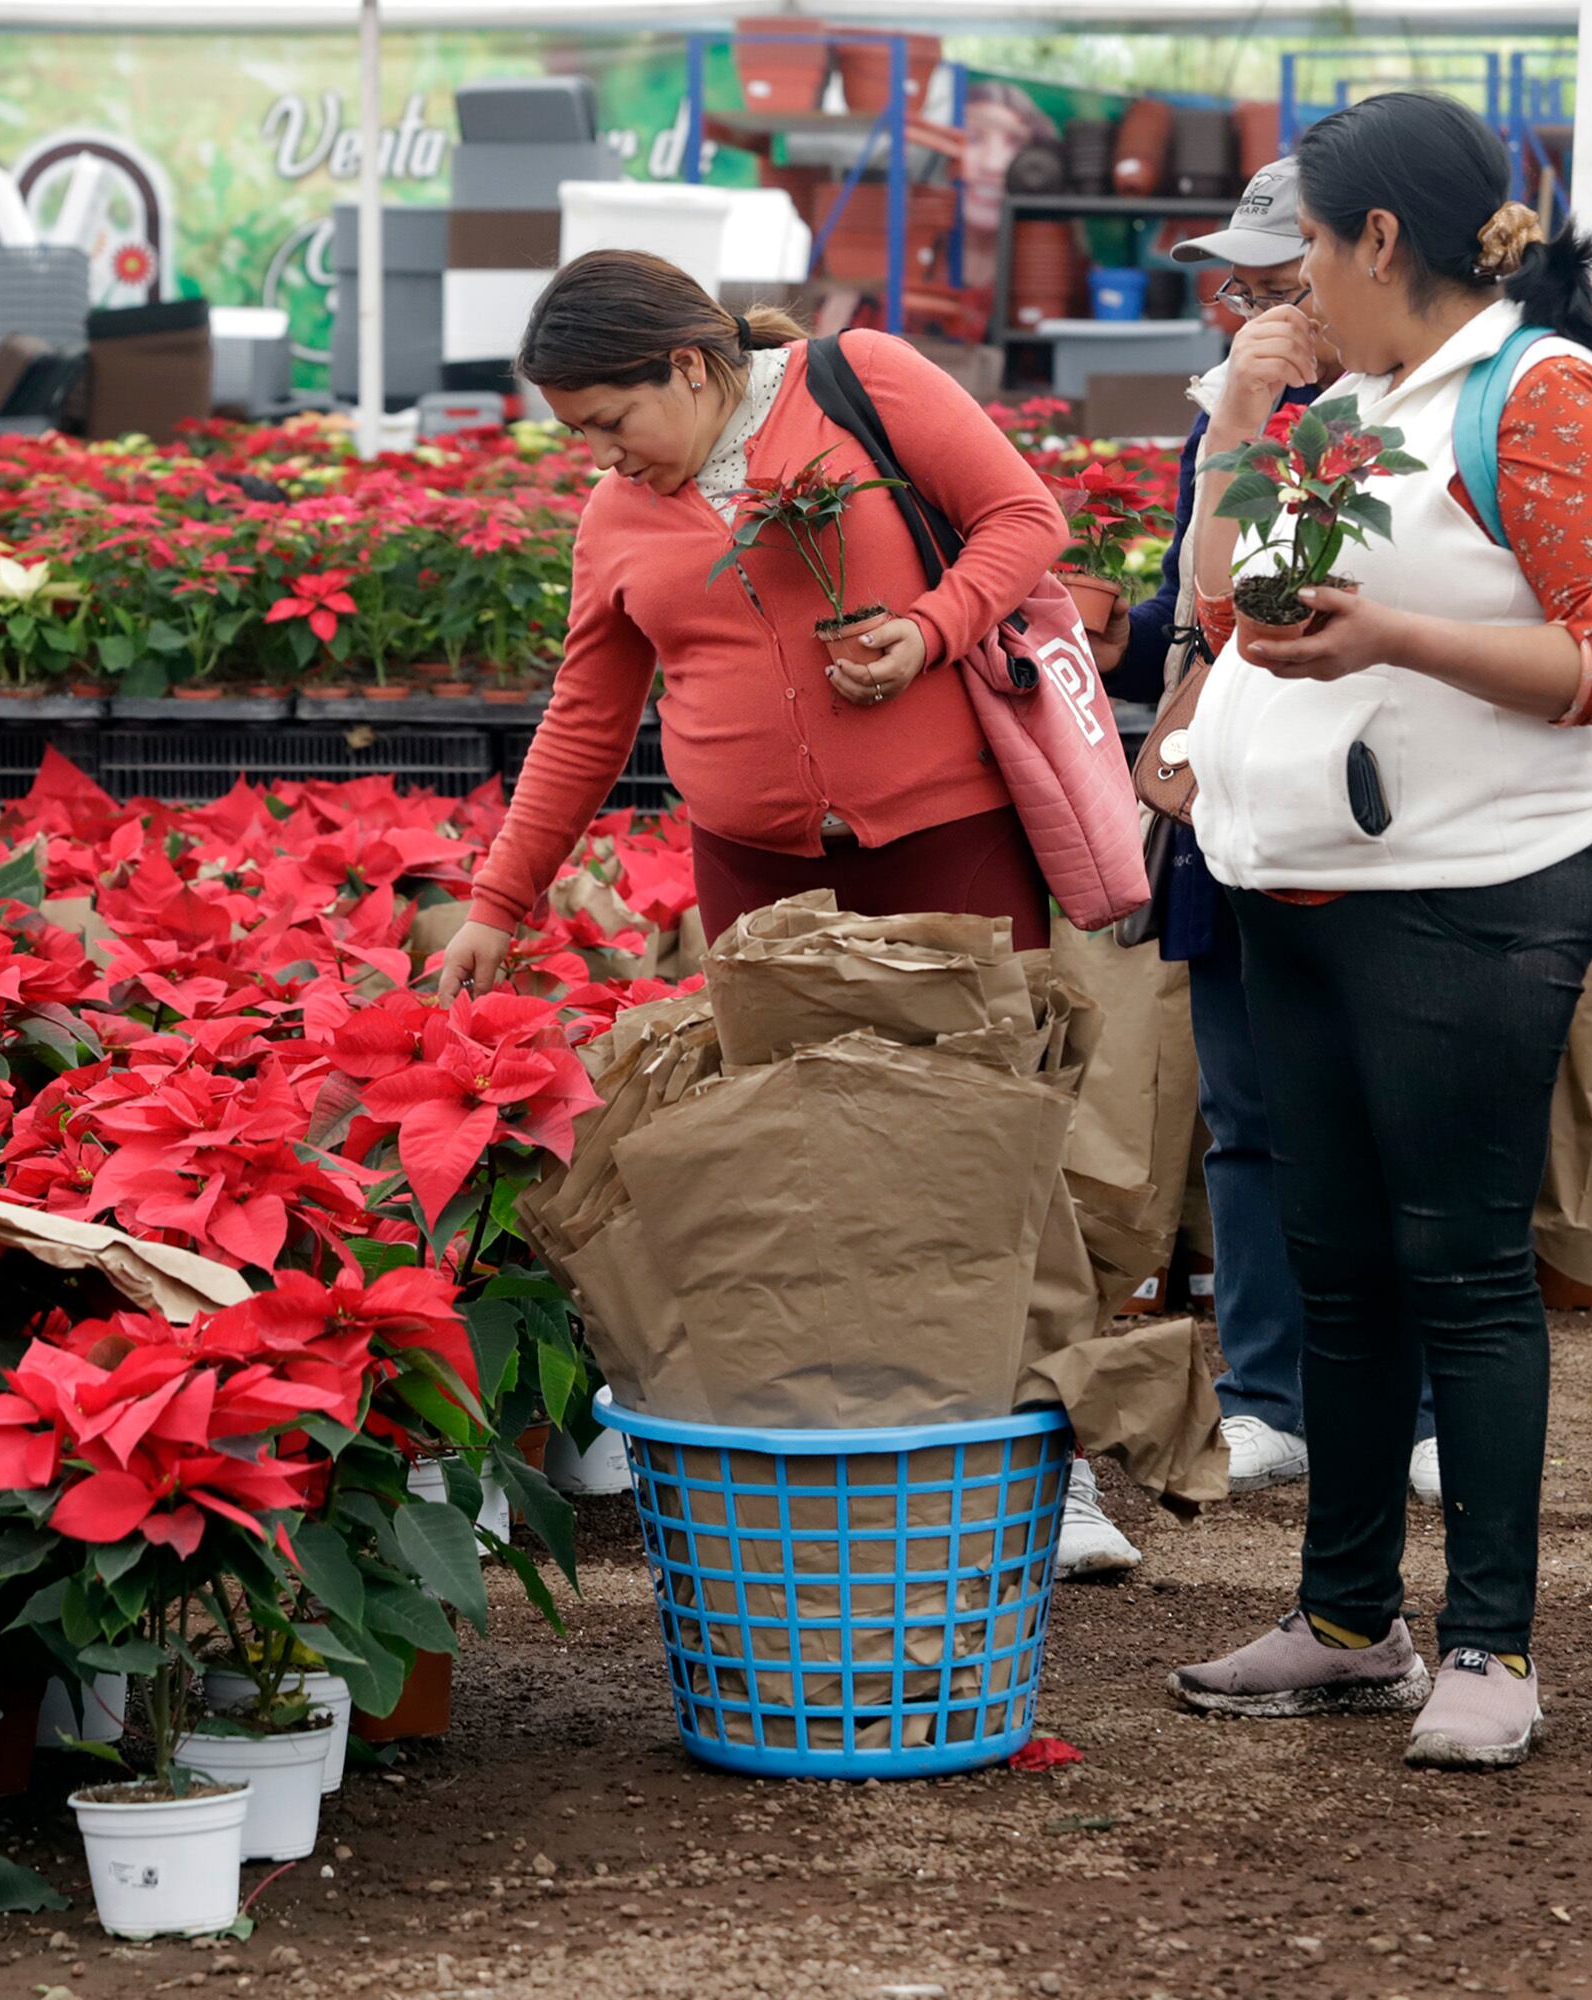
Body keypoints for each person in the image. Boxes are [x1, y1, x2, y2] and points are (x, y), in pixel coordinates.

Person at [428, 250, 1143, 1576]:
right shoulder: (615, 519)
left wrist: (932, 629)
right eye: (577, 434)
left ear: (691, 369)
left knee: (998, 1149)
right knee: (801, 1163)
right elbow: (586, 719)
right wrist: (499, 895)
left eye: (609, 421)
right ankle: (859, 1452)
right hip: (760, 878)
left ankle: (1055, 1465)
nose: (602, 454)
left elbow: (1022, 520)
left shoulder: (860, 381)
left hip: (950, 847)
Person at [1167, 91, 1592, 1770]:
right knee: (1341, 1274)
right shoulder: (1356, 398)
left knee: (1459, 1271)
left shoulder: (1545, 394)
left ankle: (1496, 1647)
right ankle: (1343, 1620)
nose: (1287, 279)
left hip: (1467, 901)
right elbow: (1224, 591)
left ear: (1380, 240)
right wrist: (1247, 408)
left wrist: (1389, 633)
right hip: (1299, 889)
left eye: (1306, 243)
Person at [1110, 158, 1444, 1509]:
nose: (1244, 302)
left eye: (1271, 275)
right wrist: (1107, 628)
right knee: (1247, 1118)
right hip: (1241, 802)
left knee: (1392, 1117)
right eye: (1231, 281)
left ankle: (1415, 1405)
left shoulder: (1424, 415)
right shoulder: (1234, 414)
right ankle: (1265, 1394)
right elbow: (1212, 605)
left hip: (1386, 807)